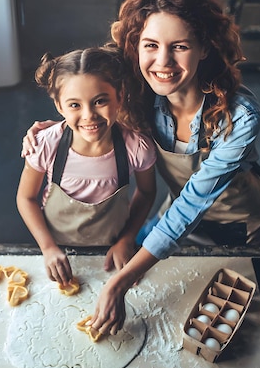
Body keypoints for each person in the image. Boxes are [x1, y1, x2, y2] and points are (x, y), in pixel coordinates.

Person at [21, 0, 260, 335]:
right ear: (136, 46)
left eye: (180, 47)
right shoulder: (141, 91)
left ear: (205, 47)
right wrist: (65, 128)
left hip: (240, 226)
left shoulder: (241, 116)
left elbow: (193, 203)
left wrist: (121, 282)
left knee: (232, 322)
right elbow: (88, 85)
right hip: (169, 216)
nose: (163, 63)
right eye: (151, 46)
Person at [16, 46, 157, 286]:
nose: (89, 115)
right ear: (59, 106)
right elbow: (26, 198)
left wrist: (126, 239)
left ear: (119, 97)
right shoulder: (46, 144)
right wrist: (48, 247)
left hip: (112, 250)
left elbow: (147, 191)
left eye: (100, 101)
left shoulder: (137, 147)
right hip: (57, 249)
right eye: (74, 105)